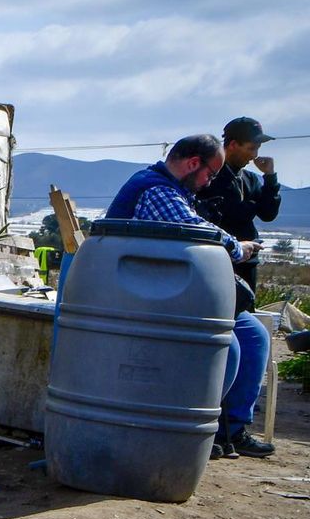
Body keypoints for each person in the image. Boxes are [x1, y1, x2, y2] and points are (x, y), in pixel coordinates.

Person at [104, 134, 273, 459]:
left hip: (175, 291)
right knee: (228, 346)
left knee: (253, 337)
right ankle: (189, 428)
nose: (209, 181)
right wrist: (240, 247)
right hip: (144, 294)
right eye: (210, 174)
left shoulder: (172, 191)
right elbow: (195, 230)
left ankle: (232, 428)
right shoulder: (155, 189)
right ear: (194, 164)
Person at [196, 117, 281, 293]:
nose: (254, 155)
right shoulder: (209, 178)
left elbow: (268, 214)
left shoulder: (250, 179)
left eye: (257, 149)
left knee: (246, 311)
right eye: (250, 148)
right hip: (218, 258)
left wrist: (270, 178)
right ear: (233, 145)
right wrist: (249, 207)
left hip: (248, 262)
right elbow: (221, 215)